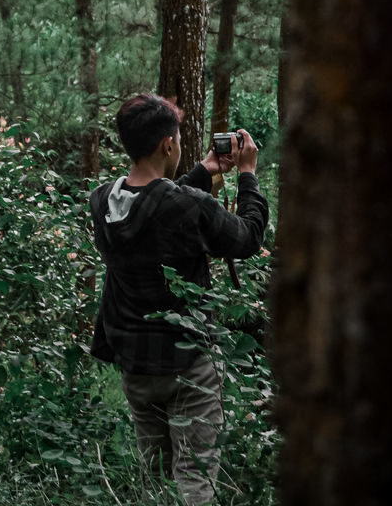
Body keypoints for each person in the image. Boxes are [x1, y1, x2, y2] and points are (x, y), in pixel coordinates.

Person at [89, 93, 269, 505]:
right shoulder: (188, 206)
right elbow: (248, 237)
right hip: (188, 363)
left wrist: (203, 172)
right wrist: (247, 175)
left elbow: (155, 204)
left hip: (135, 361)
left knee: (152, 474)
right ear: (167, 145)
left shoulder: (102, 202)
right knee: (195, 475)